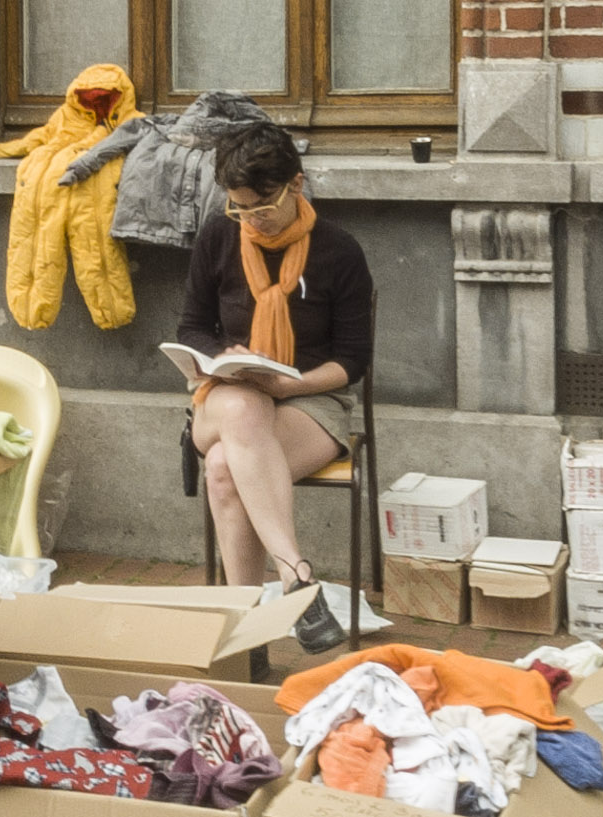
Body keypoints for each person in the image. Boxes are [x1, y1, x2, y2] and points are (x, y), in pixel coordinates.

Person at [177, 121, 374, 657]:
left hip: (312, 402)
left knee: (223, 469)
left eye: (262, 205)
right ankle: (296, 578)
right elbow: (191, 327)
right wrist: (223, 359)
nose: (251, 219)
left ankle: (246, 635)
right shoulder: (219, 237)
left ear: (298, 185)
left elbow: (352, 361)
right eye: (238, 207)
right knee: (241, 407)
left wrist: (291, 385)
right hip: (224, 399)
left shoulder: (339, 251)